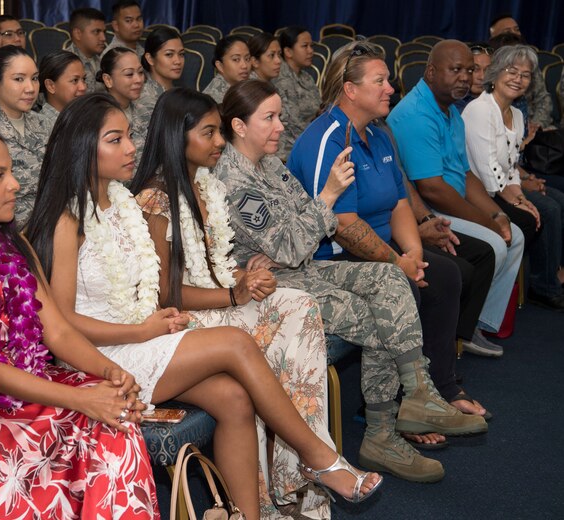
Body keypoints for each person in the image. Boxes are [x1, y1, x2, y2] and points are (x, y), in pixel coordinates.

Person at [25, 92, 383, 519]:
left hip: (145, 336)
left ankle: (251, 514)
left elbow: (152, 288)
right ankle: (318, 457)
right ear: (83, 147)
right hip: (99, 355)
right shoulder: (69, 220)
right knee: (234, 342)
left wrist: (167, 316)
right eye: (115, 140)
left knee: (234, 399)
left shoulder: (120, 204)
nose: (131, 148)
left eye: (129, 137)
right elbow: (63, 323)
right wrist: (143, 330)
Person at [213, 79, 488, 483]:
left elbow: (300, 235)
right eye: (269, 118)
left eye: (279, 116)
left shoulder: (269, 163)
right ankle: (381, 432)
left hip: (300, 270)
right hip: (273, 289)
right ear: (238, 126)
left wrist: (300, 229)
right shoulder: (233, 180)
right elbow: (296, 240)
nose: (279, 126)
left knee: (389, 277)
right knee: (375, 316)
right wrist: (326, 199)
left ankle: (418, 393)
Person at [0, 122, 159, 519]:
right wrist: (83, 399)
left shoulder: (13, 244)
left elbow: (56, 330)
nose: (15, 184)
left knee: (116, 415)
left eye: (12, 171)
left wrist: (112, 371)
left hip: (31, 379)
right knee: (92, 417)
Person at [132, 87, 342, 519]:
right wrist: (234, 292)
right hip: (185, 318)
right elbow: (164, 293)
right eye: (209, 133)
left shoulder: (204, 185)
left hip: (217, 298)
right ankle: (295, 483)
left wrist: (244, 275)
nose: (220, 142)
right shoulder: (155, 198)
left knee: (298, 306)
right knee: (274, 338)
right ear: (178, 136)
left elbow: (218, 262)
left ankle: (293, 473)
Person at [289, 41, 489, 422]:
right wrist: (399, 263)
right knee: (406, 284)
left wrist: (411, 253)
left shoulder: (377, 134)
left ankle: (439, 387)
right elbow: (343, 226)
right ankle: (392, 405)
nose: (391, 88)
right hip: (332, 256)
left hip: (385, 246)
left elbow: (400, 203)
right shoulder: (327, 139)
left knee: (445, 272)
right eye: (379, 81)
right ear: (351, 90)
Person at [388, 40, 524, 353]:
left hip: (450, 200)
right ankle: (461, 329)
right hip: (428, 209)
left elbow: (465, 175)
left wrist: (496, 215)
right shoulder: (417, 115)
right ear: (431, 72)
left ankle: (479, 320)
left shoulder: (449, 110)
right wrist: (488, 224)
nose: (465, 77)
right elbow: (432, 189)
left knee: (513, 234)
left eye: (470, 70)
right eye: (456, 70)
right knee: (495, 244)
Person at [462, 44, 564, 310]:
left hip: (501, 189)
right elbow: (487, 168)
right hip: (477, 192)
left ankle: (535, 281)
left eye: (526, 74)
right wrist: (520, 202)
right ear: (495, 73)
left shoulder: (517, 115)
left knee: (546, 205)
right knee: (539, 214)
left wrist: (519, 195)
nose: (518, 78)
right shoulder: (479, 109)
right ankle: (534, 287)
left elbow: (510, 166)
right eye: (512, 71)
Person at [0, 45, 53, 225]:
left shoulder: (46, 124)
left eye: (34, 79)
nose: (30, 88)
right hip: (10, 230)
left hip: (53, 222)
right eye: (19, 79)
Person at [488, 14, 553, 129]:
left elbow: (542, 99)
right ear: (494, 37)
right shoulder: (487, 63)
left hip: (530, 123)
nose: (514, 33)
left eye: (517, 29)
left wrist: (536, 125)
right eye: (508, 31)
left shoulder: (528, 62)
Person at [273, 26, 321, 161]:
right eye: (305, 46)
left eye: (312, 46)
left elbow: (318, 109)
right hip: (289, 146)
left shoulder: (306, 77)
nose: (311, 51)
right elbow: (292, 123)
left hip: (307, 139)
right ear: (288, 51)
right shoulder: (280, 78)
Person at [134, 27, 185, 152]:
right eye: (169, 54)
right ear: (150, 58)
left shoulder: (178, 93)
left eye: (181, 54)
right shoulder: (145, 98)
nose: (178, 61)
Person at [98, 47, 146, 153]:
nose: (138, 80)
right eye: (129, 74)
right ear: (108, 80)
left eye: (141, 72)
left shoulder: (144, 110)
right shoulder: (100, 117)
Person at [37, 49, 87, 124]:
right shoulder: (41, 128)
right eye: (75, 80)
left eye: (84, 79)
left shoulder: (85, 117)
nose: (83, 87)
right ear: (50, 86)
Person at [66, 7, 107, 93]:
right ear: (78, 34)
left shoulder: (103, 61)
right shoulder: (64, 64)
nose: (103, 38)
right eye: (96, 32)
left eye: (104, 32)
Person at [202, 35, 251, 103]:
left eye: (247, 59)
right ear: (220, 66)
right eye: (236, 59)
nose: (244, 65)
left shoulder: (251, 85)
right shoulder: (213, 100)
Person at [455, 43, 492, 112]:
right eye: (475, 69)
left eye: (488, 70)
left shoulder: (500, 101)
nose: (482, 77)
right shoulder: (451, 105)